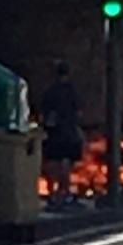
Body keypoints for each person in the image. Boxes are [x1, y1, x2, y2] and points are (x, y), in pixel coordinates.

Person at [40, 61, 83, 206]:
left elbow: (44, 114)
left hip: (54, 133)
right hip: (69, 132)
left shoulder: (50, 92)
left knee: (53, 164)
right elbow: (79, 112)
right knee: (65, 163)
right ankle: (64, 192)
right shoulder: (72, 92)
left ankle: (52, 193)